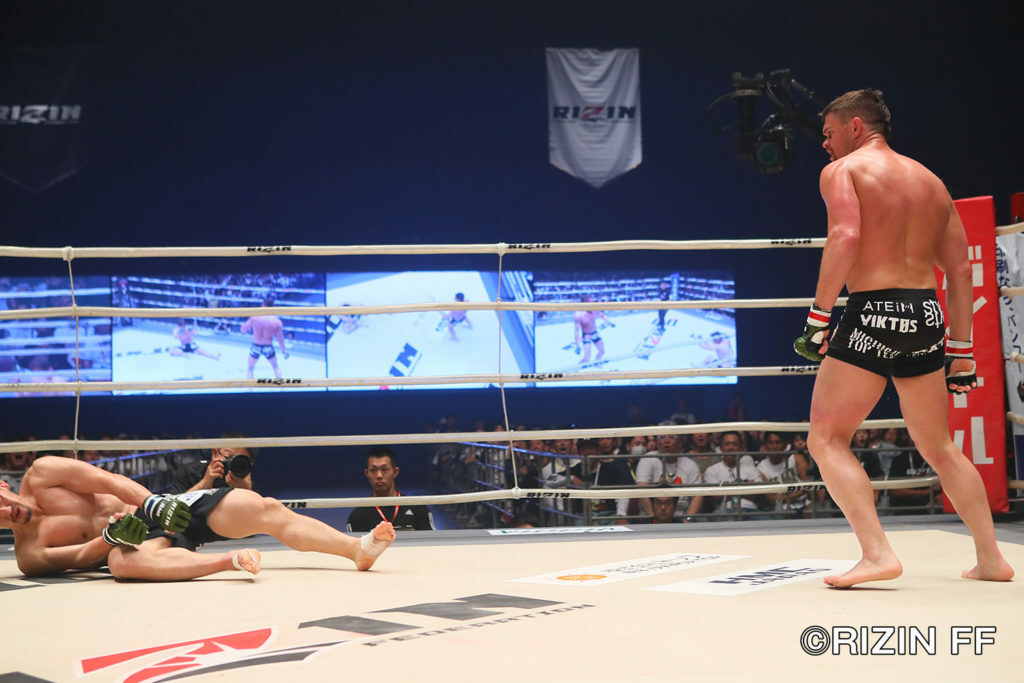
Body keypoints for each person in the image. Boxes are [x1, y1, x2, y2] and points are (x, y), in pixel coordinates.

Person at [793, 89, 1013, 586]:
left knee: (826, 437)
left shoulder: (843, 171)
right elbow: (961, 272)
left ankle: (877, 554)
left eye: (828, 133)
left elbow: (845, 236)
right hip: (925, 313)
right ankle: (991, 559)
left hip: (873, 311)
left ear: (855, 126)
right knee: (940, 446)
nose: (824, 144)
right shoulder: (931, 182)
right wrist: (961, 353)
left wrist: (818, 318)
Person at [1, 456, 394, 579]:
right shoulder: (29, 555)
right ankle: (228, 562)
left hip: (155, 507)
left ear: (3, 485)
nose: (5, 511)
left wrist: (153, 504)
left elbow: (109, 480)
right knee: (120, 564)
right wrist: (110, 538)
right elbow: (76, 557)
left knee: (264, 507)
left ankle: (355, 550)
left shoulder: (43, 472)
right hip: (134, 544)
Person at [347, 446, 435, 532]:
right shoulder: (357, 516)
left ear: (395, 472)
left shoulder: (418, 508)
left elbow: (432, 540)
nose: (379, 475)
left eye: (385, 469)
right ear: (367, 474)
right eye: (373, 470)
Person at [171, 441, 256, 494]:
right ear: (215, 453)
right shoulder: (189, 473)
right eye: (228, 457)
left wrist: (247, 491)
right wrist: (205, 482)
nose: (232, 463)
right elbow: (172, 509)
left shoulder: (244, 482)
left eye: (238, 461)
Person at [241, 296, 287, 380]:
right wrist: (283, 351)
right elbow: (280, 339)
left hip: (256, 345)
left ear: (263, 305)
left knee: (250, 368)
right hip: (268, 346)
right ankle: (280, 386)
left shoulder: (255, 317)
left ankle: (250, 387)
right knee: (275, 367)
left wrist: (251, 328)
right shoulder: (276, 321)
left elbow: (243, 329)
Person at [573, 295, 612, 365]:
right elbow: (576, 331)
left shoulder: (594, 309)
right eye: (591, 302)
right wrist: (577, 345)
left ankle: (596, 363)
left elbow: (602, 315)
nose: (593, 304)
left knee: (602, 352)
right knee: (587, 358)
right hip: (586, 336)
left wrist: (609, 321)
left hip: (595, 333)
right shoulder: (579, 314)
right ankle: (575, 368)